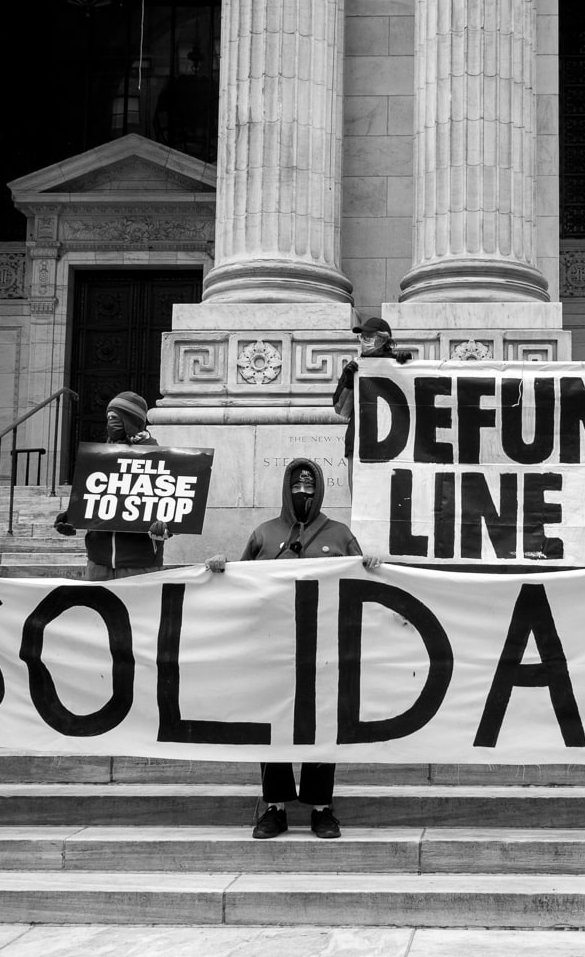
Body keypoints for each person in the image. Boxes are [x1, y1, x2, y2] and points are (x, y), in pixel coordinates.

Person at [206, 457, 374, 840]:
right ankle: (275, 806)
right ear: (286, 489)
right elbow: (240, 581)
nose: (303, 493)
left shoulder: (340, 534)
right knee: (273, 727)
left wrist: (373, 565)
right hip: (273, 651)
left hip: (324, 650)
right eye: (297, 486)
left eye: (310, 487)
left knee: (322, 726)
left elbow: (361, 582)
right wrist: (220, 568)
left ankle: (321, 806)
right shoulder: (264, 534)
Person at [54, 390, 168, 579]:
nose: (110, 423)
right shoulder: (99, 458)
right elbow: (91, 498)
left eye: (116, 417)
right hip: (98, 562)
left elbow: (177, 504)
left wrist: (167, 527)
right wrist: (71, 517)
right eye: (108, 418)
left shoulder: (159, 458)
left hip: (140, 563)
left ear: (131, 420)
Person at [333, 316, 409, 466]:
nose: (363, 341)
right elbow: (340, 410)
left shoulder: (399, 365)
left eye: (369, 337)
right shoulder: (354, 369)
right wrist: (349, 382)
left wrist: (408, 368)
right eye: (362, 337)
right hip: (359, 443)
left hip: (395, 446)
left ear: (383, 340)